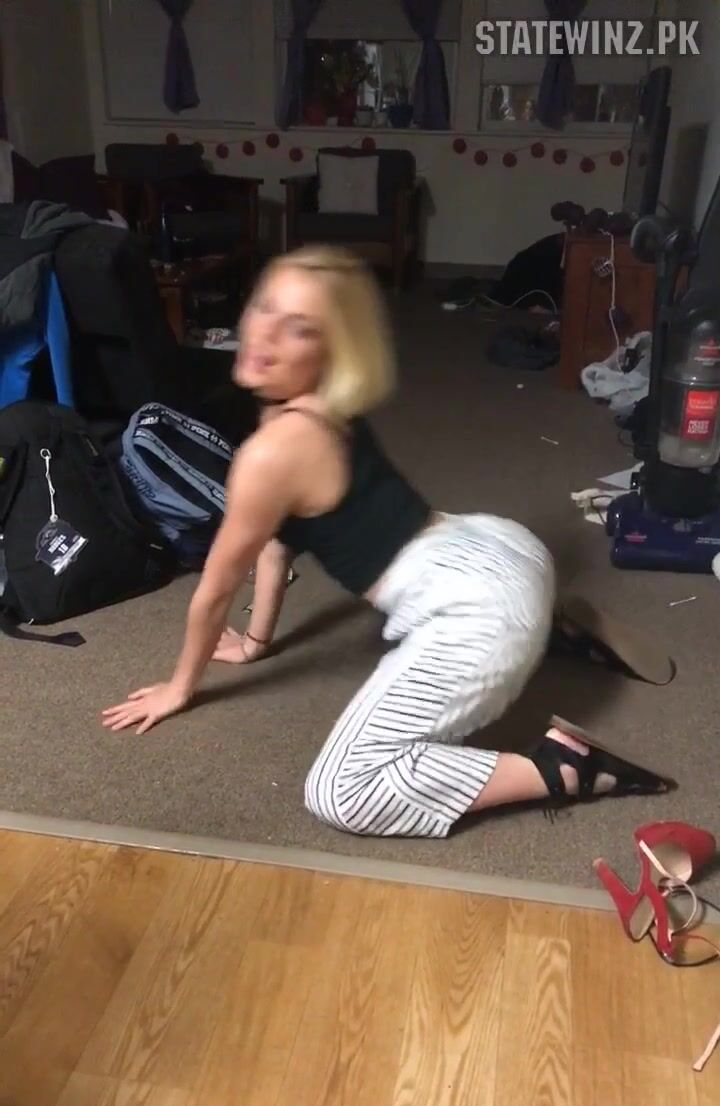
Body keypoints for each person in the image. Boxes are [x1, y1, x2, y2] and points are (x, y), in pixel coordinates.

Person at [102, 246, 671, 836]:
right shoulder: (324, 405)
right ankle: (547, 626)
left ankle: (563, 767)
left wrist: (179, 687)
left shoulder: (268, 454)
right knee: (452, 606)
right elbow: (276, 541)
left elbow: (214, 593)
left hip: (479, 610)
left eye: (299, 327)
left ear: (332, 349)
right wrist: (254, 642)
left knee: (342, 791)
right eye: (265, 307)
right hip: (507, 547)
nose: (264, 334)